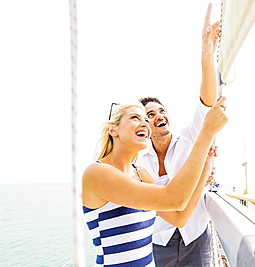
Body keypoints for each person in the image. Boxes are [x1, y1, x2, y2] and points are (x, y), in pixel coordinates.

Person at [82, 98, 227, 266]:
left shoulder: (141, 173)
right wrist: (206, 133)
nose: (144, 123)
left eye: (145, 119)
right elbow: (174, 198)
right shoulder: (98, 173)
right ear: (112, 129)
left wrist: (204, 174)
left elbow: (178, 217)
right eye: (135, 118)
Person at [136, 4, 220, 266]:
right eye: (150, 114)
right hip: (157, 241)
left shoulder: (190, 138)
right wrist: (203, 174)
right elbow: (171, 209)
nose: (159, 115)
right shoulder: (138, 162)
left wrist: (207, 55)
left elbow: (207, 103)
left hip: (197, 236)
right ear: (143, 126)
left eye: (162, 111)